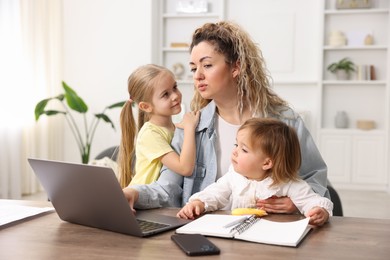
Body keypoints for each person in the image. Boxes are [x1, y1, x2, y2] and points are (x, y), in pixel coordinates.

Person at [123, 21, 329, 214]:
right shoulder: (191, 128)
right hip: (208, 236)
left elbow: (314, 176)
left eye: (207, 65)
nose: (197, 75)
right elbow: (167, 189)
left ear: (236, 67)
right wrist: (135, 193)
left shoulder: (284, 121)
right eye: (194, 68)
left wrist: (297, 203)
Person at [177, 118, 333, 226]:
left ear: (266, 162)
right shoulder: (234, 176)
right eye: (235, 144)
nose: (235, 152)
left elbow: (311, 200)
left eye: (243, 149)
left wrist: (319, 211)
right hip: (238, 237)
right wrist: (199, 203)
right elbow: (215, 193)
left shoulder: (287, 183)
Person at [118, 64, 200, 187]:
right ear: (146, 106)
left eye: (175, 87)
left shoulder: (173, 128)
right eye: (165, 94)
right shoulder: (150, 134)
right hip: (142, 201)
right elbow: (185, 168)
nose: (175, 96)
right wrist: (189, 128)